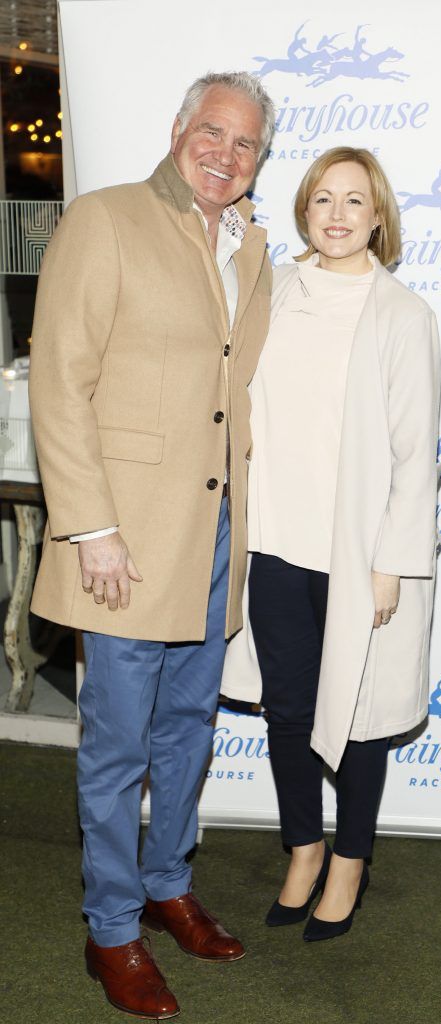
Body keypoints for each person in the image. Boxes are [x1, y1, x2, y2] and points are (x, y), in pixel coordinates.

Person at [29, 71, 275, 1018]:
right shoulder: (105, 219)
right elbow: (60, 380)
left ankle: (169, 884)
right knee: (118, 745)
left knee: (188, 730)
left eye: (246, 142)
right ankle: (112, 930)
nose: (226, 152)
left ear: (259, 158)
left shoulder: (251, 247)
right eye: (212, 131)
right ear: (179, 131)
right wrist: (90, 525)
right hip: (121, 541)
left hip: (215, 536)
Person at [222, 147, 441, 942]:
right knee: (288, 709)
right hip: (275, 540)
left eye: (355, 201)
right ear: (303, 210)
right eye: (323, 200)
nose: (339, 215)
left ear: (378, 214)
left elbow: (419, 451)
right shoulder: (270, 291)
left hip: (360, 554)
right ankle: (304, 849)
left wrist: (392, 563)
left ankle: (351, 860)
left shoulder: (403, 313)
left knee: (361, 713)